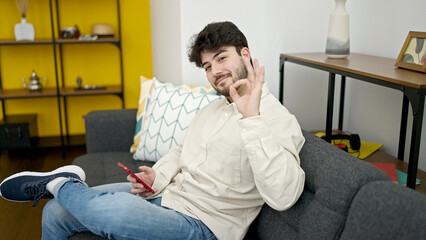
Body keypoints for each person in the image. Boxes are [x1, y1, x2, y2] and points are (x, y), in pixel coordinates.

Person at [0, 21, 305, 240]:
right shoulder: (212, 109)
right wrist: (157, 177)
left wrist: (251, 119)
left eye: (222, 57)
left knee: (116, 212)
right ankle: (62, 187)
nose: (215, 71)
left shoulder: (279, 120)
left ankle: (63, 184)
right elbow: (181, 151)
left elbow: (284, 195)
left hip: (204, 224)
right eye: (208, 66)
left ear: (245, 54)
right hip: (168, 196)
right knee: (53, 213)